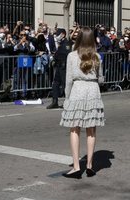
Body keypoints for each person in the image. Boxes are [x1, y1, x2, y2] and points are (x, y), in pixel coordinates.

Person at [60, 27, 105, 179]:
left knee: (75, 128)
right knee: (91, 129)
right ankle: (90, 166)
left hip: (78, 90)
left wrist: (67, 98)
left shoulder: (72, 56)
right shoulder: (97, 56)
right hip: (93, 90)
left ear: (79, 38)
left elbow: (68, 79)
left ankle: (77, 167)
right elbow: (101, 79)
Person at [47, 29, 71, 109]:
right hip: (59, 66)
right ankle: (54, 101)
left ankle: (67, 102)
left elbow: (65, 54)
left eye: (58, 34)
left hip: (64, 66)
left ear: (63, 35)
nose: (57, 36)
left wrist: (56, 54)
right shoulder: (60, 43)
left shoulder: (66, 43)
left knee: (65, 85)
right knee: (55, 83)